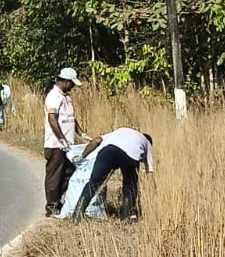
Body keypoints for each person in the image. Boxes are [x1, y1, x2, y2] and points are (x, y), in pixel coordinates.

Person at [72, 128, 154, 219]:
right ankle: (125, 217)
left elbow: (96, 141)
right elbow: (149, 170)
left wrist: (82, 156)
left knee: (93, 183)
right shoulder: (147, 142)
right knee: (130, 187)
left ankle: (76, 215)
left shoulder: (122, 131)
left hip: (107, 152)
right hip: (131, 155)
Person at [43, 67, 82, 215]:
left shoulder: (66, 97)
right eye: (71, 83)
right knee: (55, 176)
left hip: (67, 146)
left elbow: (71, 119)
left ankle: (58, 201)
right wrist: (62, 139)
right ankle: (51, 206)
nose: (72, 86)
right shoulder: (53, 96)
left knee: (68, 173)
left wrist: (82, 133)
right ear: (65, 81)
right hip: (56, 145)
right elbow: (52, 118)